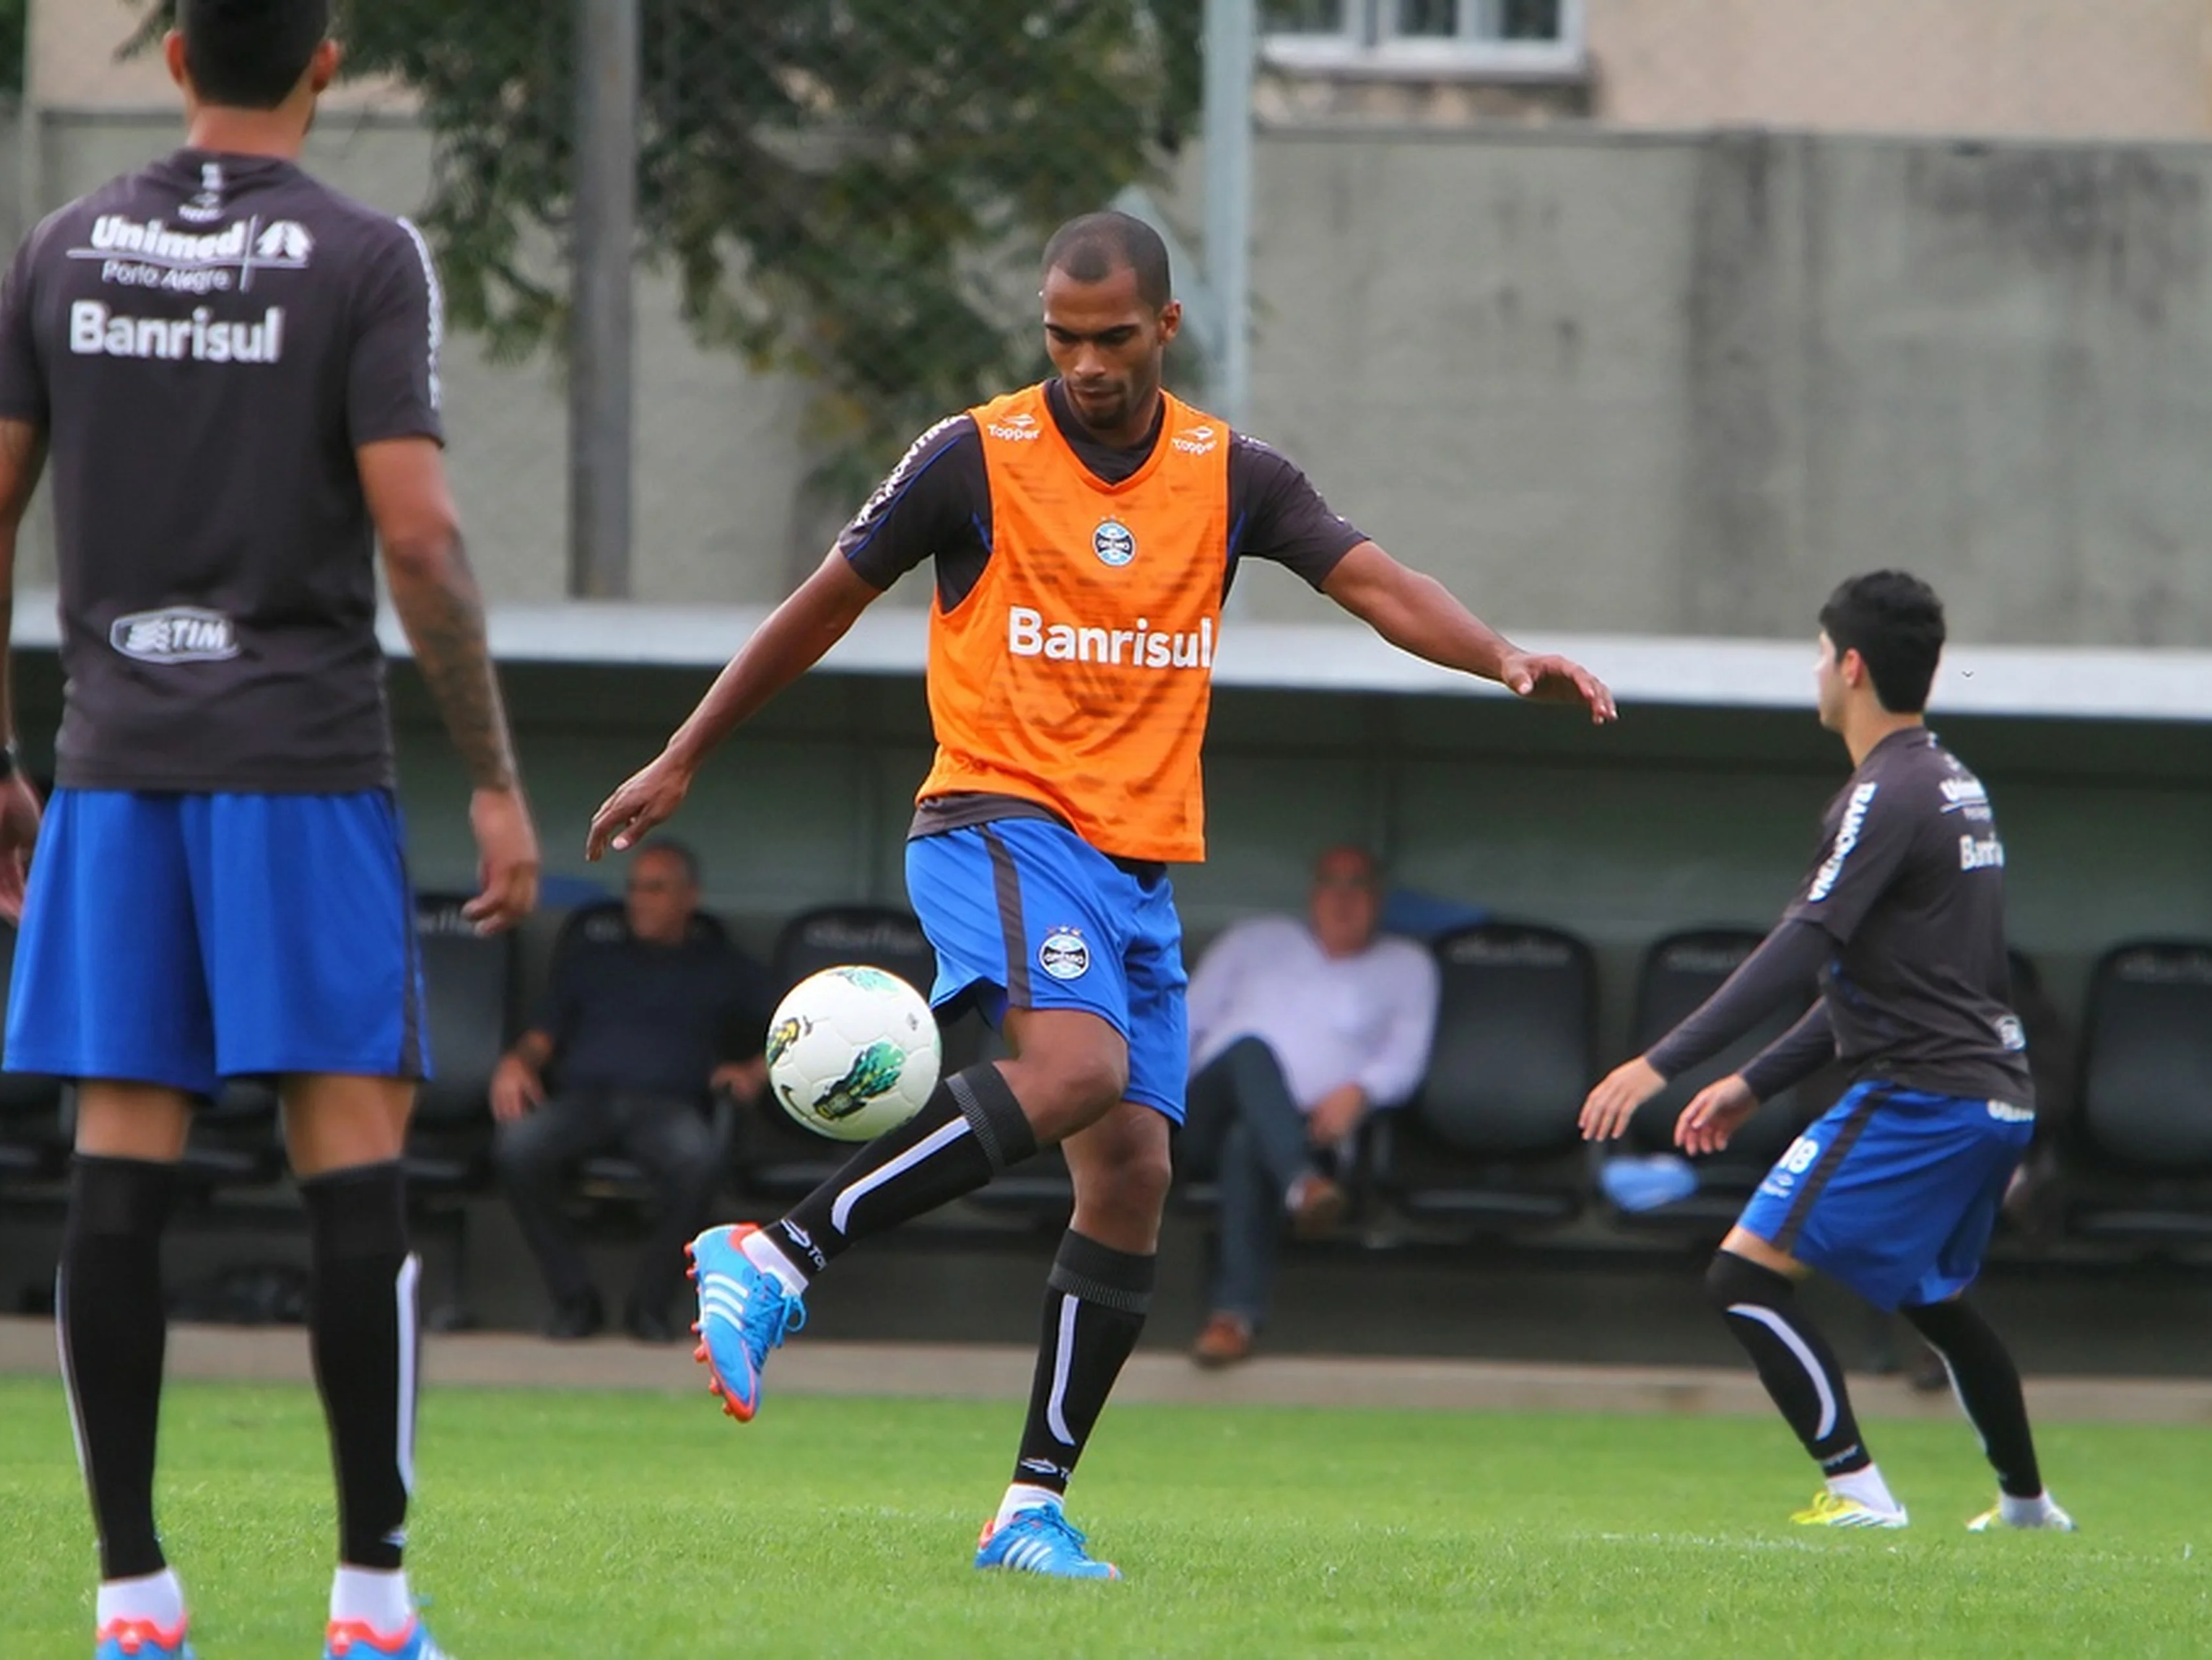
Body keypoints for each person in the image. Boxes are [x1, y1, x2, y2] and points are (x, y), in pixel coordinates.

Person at [585, 210, 1614, 1579]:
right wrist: (683, 753)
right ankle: (776, 1253)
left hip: (1135, 872)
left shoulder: (1230, 474)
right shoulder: (972, 456)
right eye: (1062, 338)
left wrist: (1501, 655)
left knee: (1132, 1176)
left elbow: (1374, 580)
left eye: (1112, 338)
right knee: (1076, 1070)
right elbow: (820, 604)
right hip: (997, 818)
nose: (1085, 363)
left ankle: (1029, 1508)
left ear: (1165, 328)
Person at [0, 5, 538, 1657]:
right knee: (354, 1177)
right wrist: (493, 775)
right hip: (302, 772)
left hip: (116, 772)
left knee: (117, 1177)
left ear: (177, 55)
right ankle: (371, 1605)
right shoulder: (363, 257)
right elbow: (421, 537)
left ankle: (134, 1598)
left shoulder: (64, 248)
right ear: (326, 60)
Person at [1578, 572, 2072, 1535]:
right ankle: (2027, 1506)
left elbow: (1804, 944)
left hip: (1923, 1095)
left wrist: (1661, 1062)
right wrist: (1753, 1081)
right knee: (1937, 1299)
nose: (1812, 671)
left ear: (1850, 666)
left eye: (1817, 653)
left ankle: (1860, 1492)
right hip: (1991, 1097)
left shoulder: (1883, 793)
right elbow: (1882, 980)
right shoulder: (1953, 782)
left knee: (1743, 1276)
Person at [491, 838, 775, 1343]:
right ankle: (575, 1299)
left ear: (689, 897)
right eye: (635, 888)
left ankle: (650, 1306)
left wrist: (754, 1071)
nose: (640, 900)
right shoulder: (593, 959)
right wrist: (517, 1062)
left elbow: (794, 1027)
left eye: (656, 889)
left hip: (668, 1108)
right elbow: (541, 1039)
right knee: (517, 1148)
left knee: (702, 1160)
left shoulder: (722, 965)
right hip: (584, 1102)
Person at [1182, 846, 1437, 1367]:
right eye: (1331, 884)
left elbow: (1406, 1060)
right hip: (1201, 1115)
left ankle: (1232, 1321)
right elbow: (1181, 1026)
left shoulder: (1407, 967)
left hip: (1309, 1129)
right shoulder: (1254, 941)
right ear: (1312, 893)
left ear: (1379, 898)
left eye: (1358, 885)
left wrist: (1362, 1090)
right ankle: (1302, 1185)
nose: (1343, 899)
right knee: (1250, 1050)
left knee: (1247, 1142)